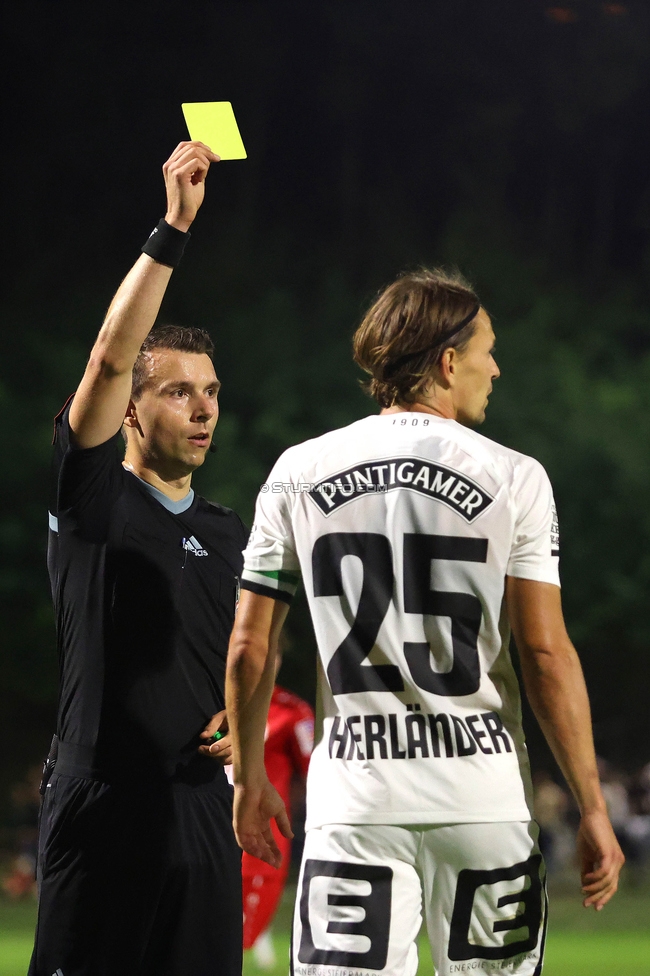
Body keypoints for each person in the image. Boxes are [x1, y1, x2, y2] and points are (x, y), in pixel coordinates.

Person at [225, 269, 625, 976]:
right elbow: (544, 650)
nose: (495, 368)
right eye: (487, 351)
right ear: (447, 361)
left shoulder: (296, 470)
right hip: (483, 800)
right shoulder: (515, 476)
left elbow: (252, 648)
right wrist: (592, 805)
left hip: (354, 803)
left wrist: (252, 776)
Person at [29, 142, 248, 976]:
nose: (203, 409)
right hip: (101, 804)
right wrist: (172, 230)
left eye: (213, 391)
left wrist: (242, 717)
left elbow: (242, 656)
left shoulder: (231, 530)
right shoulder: (91, 501)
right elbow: (109, 358)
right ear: (129, 411)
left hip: (200, 813)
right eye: (178, 390)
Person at [241, 646, 314, 968]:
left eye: (275, 652)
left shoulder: (292, 711)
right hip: (207, 824)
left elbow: (314, 770)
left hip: (262, 834)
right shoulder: (212, 704)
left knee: (242, 934)